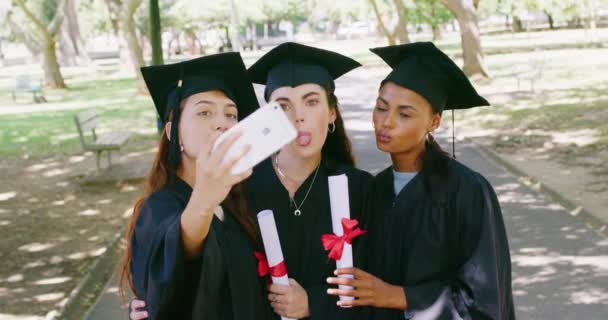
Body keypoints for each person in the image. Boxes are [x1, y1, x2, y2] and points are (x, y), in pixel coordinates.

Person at [326, 42, 515, 320]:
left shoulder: (467, 191)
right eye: (381, 107)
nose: (385, 122)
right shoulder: (373, 190)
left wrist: (394, 295)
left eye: (404, 114)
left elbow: (483, 299)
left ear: (434, 122)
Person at [118, 52, 272, 320]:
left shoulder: (241, 200)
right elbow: (180, 246)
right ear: (172, 131)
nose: (221, 123)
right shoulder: (157, 209)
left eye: (231, 114)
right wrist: (205, 199)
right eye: (204, 112)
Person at [245, 42, 375, 320]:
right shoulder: (242, 187)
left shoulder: (361, 189)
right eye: (283, 106)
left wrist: (313, 304)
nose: (298, 116)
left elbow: (375, 290)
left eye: (311, 101)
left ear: (331, 113)